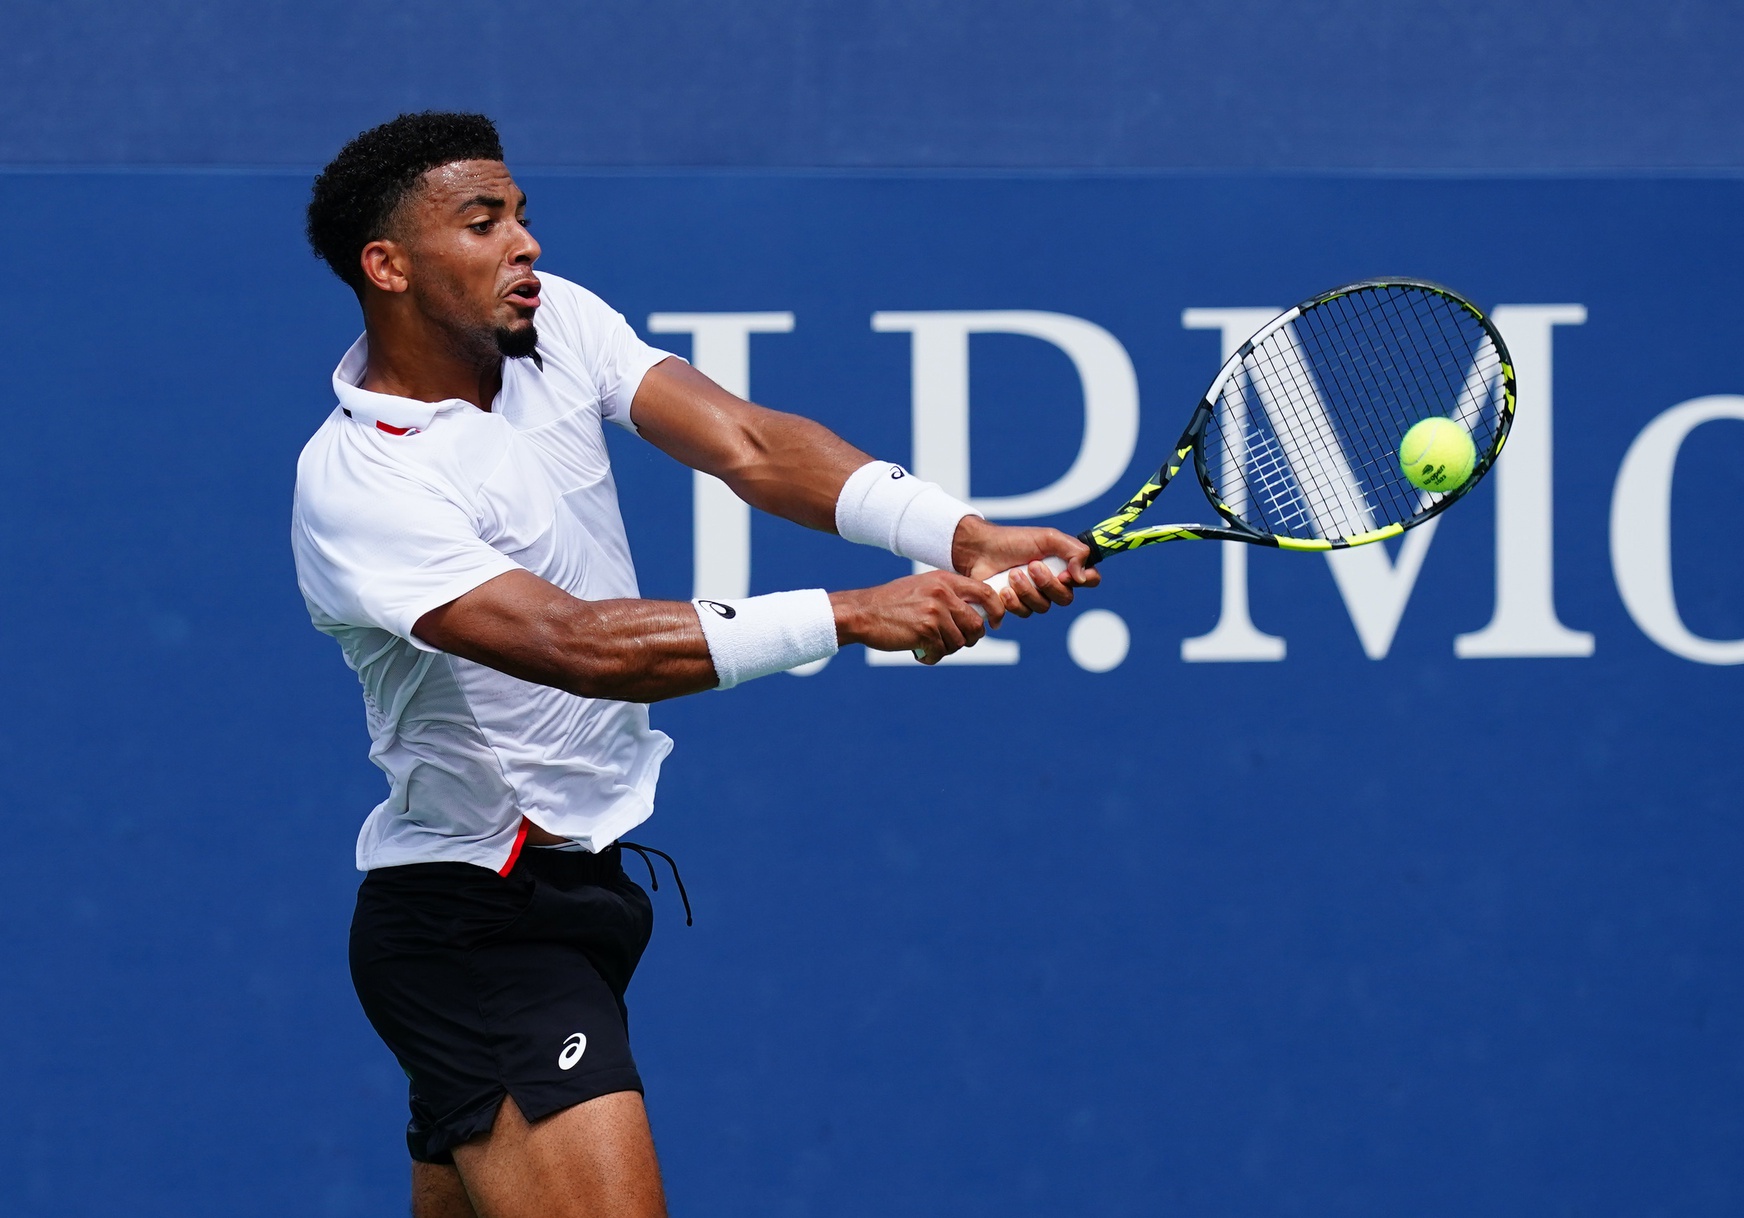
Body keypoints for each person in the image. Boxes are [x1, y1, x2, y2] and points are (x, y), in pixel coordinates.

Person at [291, 111, 1097, 1218]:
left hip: (583, 895)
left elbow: (751, 446)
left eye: (523, 215)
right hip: (474, 920)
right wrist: (855, 614)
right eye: (484, 224)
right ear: (386, 266)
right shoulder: (360, 484)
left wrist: (958, 538)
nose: (525, 244)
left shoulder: (553, 324)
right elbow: (575, 646)